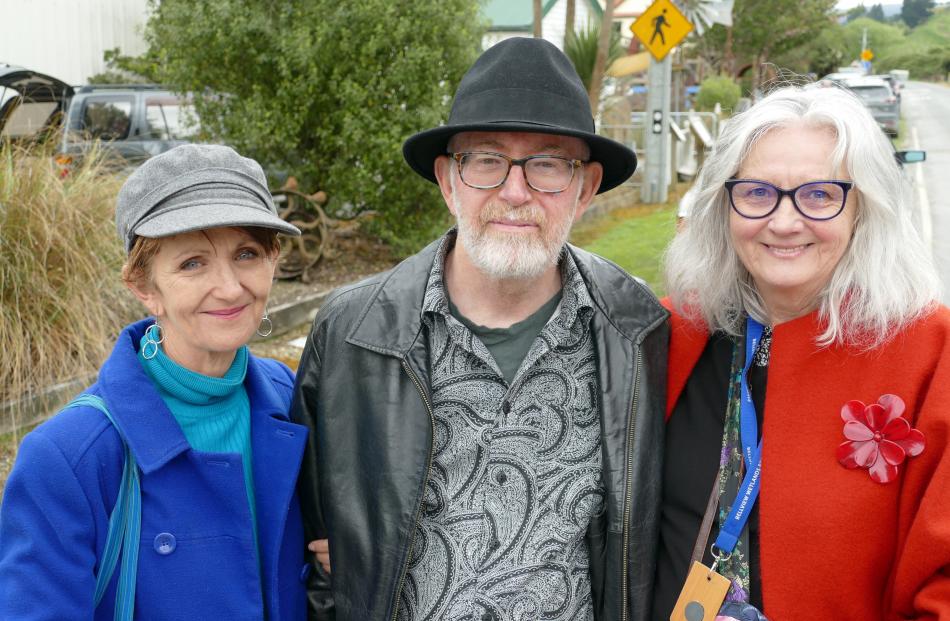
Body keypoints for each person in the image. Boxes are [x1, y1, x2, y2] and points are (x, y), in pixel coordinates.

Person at [290, 37, 669, 621]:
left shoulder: (638, 329)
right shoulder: (352, 333)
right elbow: (315, 551)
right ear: (448, 180)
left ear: (585, 188)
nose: (514, 192)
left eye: (546, 164)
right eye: (487, 160)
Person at [654, 85, 950, 619]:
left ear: (864, 208)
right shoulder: (671, 332)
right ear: (724, 206)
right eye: (757, 193)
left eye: (819, 195)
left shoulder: (931, 351)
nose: (784, 221)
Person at [0, 144, 310, 620]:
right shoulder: (70, 456)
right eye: (192, 263)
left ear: (272, 261)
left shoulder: (288, 398)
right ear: (144, 287)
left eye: (246, 253)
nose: (229, 288)